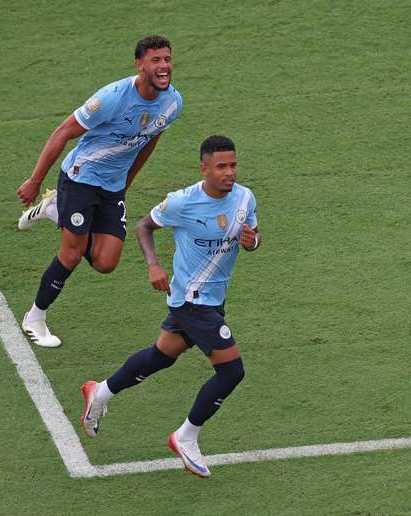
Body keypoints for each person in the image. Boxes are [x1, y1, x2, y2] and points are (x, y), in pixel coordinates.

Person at [79, 135, 261, 478]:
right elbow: (144, 226)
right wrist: (153, 264)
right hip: (193, 302)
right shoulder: (182, 202)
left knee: (162, 354)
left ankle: (100, 392)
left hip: (212, 300)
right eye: (221, 166)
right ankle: (186, 436)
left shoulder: (245, 198)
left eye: (233, 165)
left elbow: (252, 235)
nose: (229, 172)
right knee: (231, 370)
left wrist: (253, 241)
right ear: (203, 168)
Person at [16, 35, 182, 347]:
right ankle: (35, 317)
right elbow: (63, 132)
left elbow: (149, 140)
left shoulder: (172, 103)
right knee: (72, 253)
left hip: (112, 186)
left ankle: (54, 210)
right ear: (139, 64)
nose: (164, 67)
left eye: (167, 60)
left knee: (107, 263)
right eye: (156, 61)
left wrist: (127, 181)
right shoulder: (112, 98)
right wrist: (35, 180)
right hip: (81, 177)